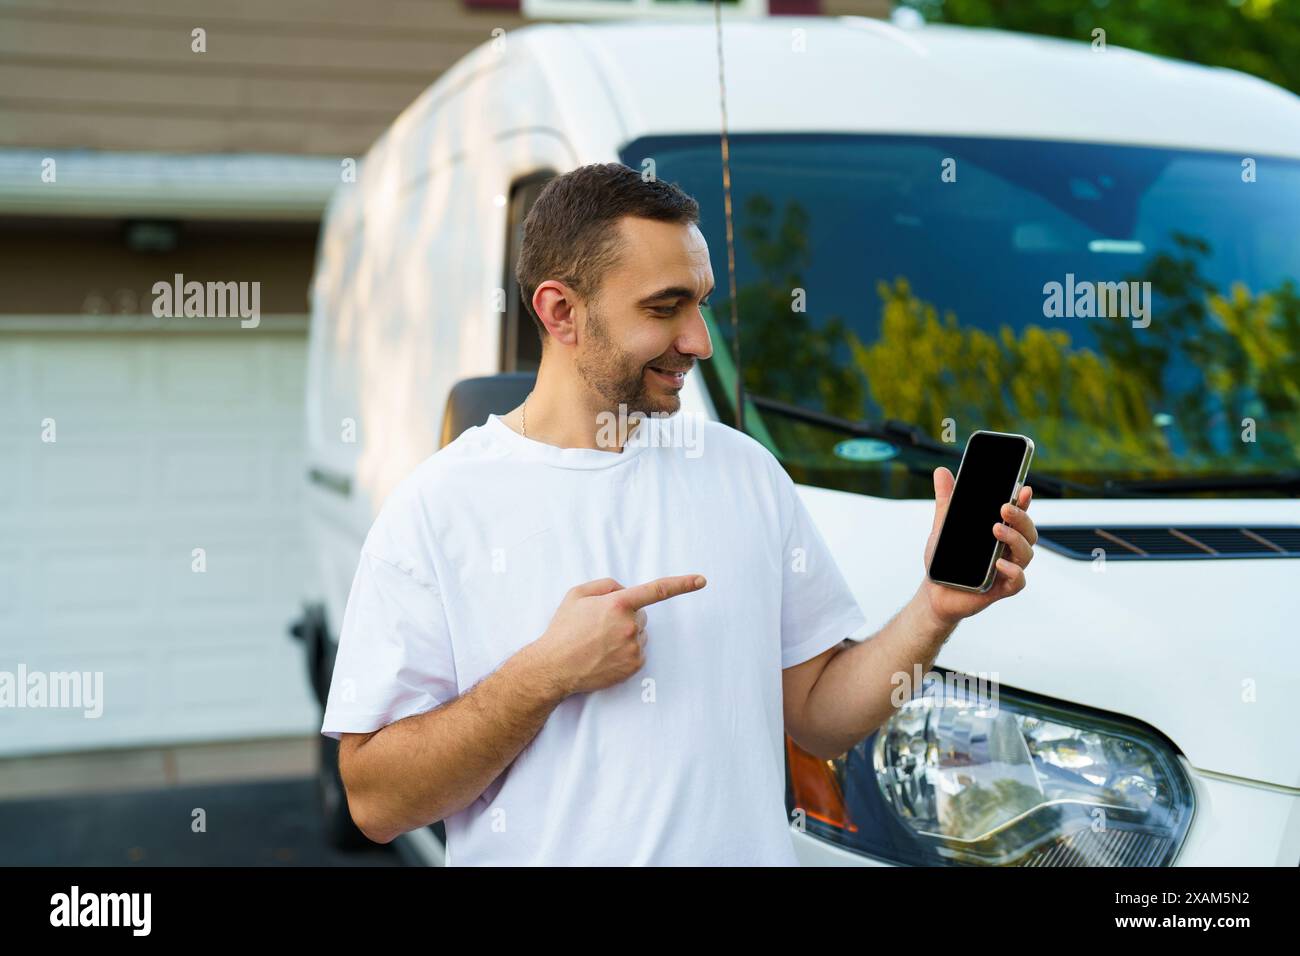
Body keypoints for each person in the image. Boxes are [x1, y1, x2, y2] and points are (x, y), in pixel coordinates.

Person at [320, 162, 1037, 865]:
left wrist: (935, 610)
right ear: (559, 311)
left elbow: (819, 718)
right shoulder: (436, 509)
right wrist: (545, 674)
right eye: (665, 309)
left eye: (700, 304)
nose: (697, 340)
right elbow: (378, 805)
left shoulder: (745, 472)